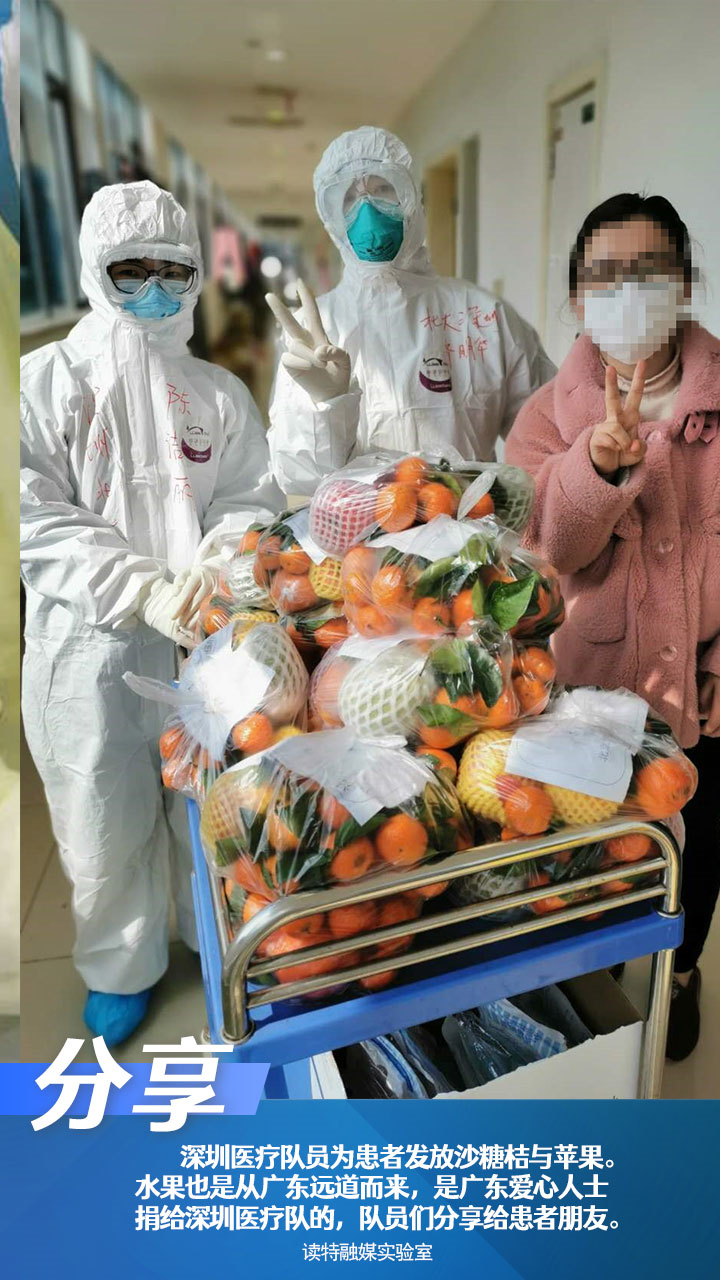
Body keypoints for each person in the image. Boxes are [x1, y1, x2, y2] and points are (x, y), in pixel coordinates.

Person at [20, 181, 282, 1045]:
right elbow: (30, 515)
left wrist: (212, 565)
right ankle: (119, 967)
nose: (153, 288)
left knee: (208, 806)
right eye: (129, 270)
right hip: (85, 651)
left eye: (171, 269)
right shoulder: (45, 383)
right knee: (100, 816)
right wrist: (140, 588)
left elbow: (249, 498)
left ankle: (216, 946)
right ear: (94, 269)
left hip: (199, 642)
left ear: (196, 273)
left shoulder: (216, 392)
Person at [506, 193, 720, 1060]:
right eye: (605, 276)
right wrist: (593, 464)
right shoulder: (543, 417)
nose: (628, 291)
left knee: (695, 859)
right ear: (576, 299)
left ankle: (679, 973)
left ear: (686, 284)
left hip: (706, 699)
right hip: (586, 697)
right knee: (582, 862)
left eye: (650, 271)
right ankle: (587, 989)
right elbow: (544, 549)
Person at [266, 126, 555, 495]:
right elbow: (297, 476)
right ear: (332, 218)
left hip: (469, 527)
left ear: (412, 198)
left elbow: (546, 438)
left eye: (383, 189)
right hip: (354, 531)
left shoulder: (484, 316)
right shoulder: (315, 331)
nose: (367, 209)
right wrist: (327, 407)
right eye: (350, 198)